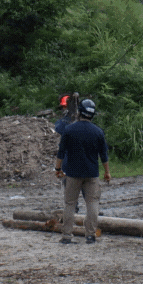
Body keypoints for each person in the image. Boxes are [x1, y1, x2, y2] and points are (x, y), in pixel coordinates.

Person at [54, 98, 111, 244]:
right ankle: (90, 235)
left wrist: (58, 168)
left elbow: (61, 152)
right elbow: (104, 155)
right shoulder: (98, 132)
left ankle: (66, 235)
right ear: (92, 115)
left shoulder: (69, 130)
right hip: (91, 174)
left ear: (79, 112)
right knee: (92, 203)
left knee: (70, 204)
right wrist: (107, 172)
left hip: (72, 173)